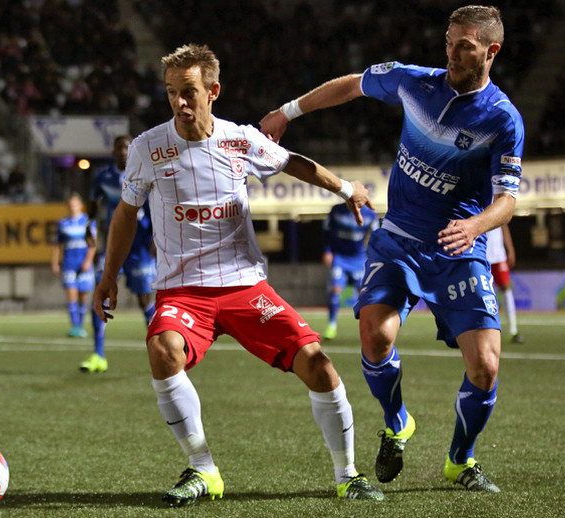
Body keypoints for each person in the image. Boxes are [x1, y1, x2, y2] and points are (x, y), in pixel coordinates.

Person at [93, 44, 384, 506]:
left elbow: (293, 162)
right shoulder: (148, 147)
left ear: (213, 91)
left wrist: (348, 188)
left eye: (188, 92)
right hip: (183, 293)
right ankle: (203, 469)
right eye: (171, 93)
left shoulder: (239, 140)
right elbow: (125, 214)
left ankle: (348, 474)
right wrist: (108, 276)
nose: (179, 102)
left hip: (246, 288)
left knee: (319, 366)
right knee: (162, 349)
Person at [260, 5, 523, 493]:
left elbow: (507, 200)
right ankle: (397, 420)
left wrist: (476, 226)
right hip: (398, 237)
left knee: (485, 367)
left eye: (464, 46)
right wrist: (288, 111)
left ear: (491, 51)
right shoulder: (413, 81)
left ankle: (460, 459)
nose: (451, 54)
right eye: (449, 41)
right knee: (374, 337)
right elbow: (353, 84)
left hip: (457, 249)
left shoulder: (503, 120)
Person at [83, 134, 157, 373]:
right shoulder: (102, 177)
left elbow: (156, 207)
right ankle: (98, 355)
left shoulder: (143, 173)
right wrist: (89, 226)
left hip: (139, 244)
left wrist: (156, 238)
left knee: (144, 297)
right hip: (114, 244)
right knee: (100, 289)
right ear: (114, 151)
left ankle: (159, 350)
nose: (123, 151)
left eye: (127, 147)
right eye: (119, 147)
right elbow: (94, 204)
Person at [322, 202, 379, 340]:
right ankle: (332, 325)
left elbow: (377, 236)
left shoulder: (370, 214)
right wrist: (327, 251)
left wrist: (374, 255)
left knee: (364, 293)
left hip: (358, 258)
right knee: (335, 289)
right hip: (339, 257)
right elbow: (325, 232)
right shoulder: (336, 210)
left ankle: (369, 327)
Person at [54, 192, 96, 338]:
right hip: (69, 264)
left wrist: (88, 261)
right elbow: (57, 245)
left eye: (75, 204)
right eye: (70, 205)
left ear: (80, 205)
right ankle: (75, 327)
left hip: (84, 264)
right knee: (71, 295)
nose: (73, 207)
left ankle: (81, 325)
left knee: (83, 297)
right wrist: (55, 262)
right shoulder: (63, 223)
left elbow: (93, 244)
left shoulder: (87, 222)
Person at [485, 225, 523, 343]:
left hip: (499, 256)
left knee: (506, 289)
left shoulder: (496, 205)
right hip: (482, 255)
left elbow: (504, 225)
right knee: (484, 294)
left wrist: (510, 248)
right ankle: (486, 331)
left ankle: (513, 330)